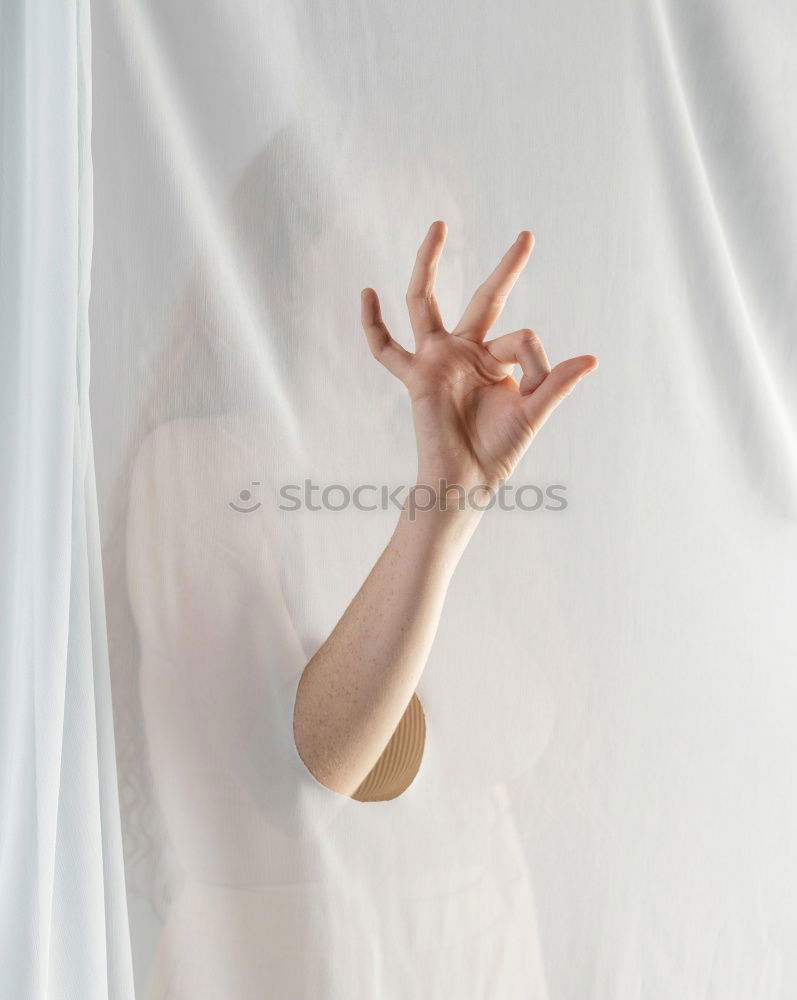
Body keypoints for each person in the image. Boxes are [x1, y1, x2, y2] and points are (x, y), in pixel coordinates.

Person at [293, 220, 598, 795]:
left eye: (446, 255)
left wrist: (457, 492)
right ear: (297, 270)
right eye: (367, 231)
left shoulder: (495, 525)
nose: (402, 283)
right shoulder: (218, 472)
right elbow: (285, 796)